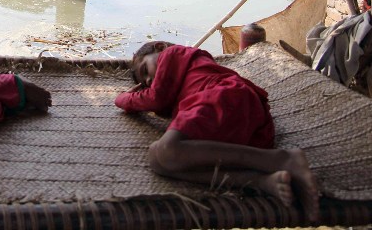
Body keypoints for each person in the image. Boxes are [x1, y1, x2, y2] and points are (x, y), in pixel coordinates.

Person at [115, 41, 320, 222]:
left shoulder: (174, 54)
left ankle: (281, 159)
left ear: (160, 47)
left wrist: (123, 99)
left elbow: (156, 97)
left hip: (223, 95)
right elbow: (160, 100)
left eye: (145, 70)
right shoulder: (179, 91)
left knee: (167, 149)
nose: (149, 81)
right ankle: (261, 180)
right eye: (145, 82)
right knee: (156, 160)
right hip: (234, 125)